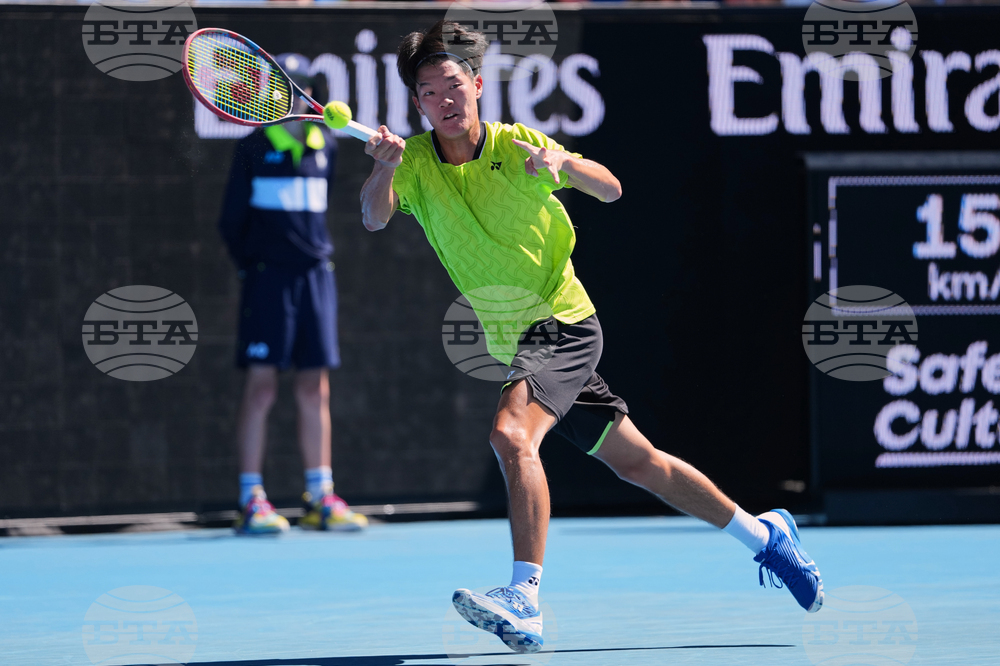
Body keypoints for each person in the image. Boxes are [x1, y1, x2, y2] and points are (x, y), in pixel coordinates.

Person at [360, 21, 823, 653]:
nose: (445, 99)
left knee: (510, 434)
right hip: (517, 340)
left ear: (477, 85)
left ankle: (524, 597)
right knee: (641, 464)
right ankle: (765, 535)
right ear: (417, 103)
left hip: (560, 321)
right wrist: (382, 170)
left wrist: (565, 164)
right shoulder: (412, 162)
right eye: (429, 92)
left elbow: (610, 187)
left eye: (453, 85)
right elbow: (374, 217)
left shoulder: (517, 144)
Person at [219, 53, 367, 535]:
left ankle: (321, 497)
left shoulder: (328, 146)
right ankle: (251, 499)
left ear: (310, 98)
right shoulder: (253, 147)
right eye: (281, 91)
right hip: (269, 281)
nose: (291, 100)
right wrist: (258, 270)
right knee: (262, 387)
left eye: (299, 91)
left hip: (316, 278)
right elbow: (231, 224)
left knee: (314, 387)